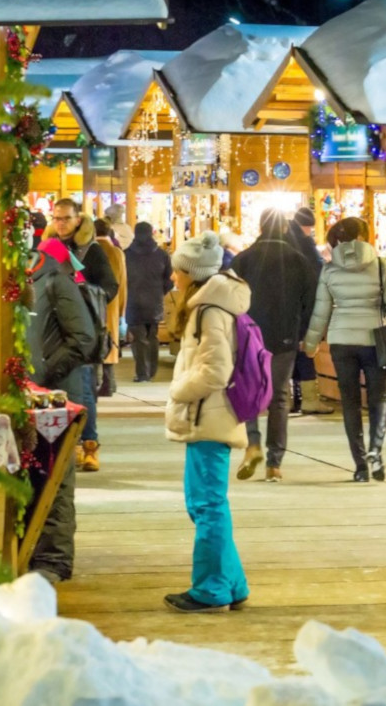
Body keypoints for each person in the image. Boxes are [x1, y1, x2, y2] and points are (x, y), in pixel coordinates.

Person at [164, 231, 251, 613]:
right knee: (206, 504)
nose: (172, 278)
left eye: (177, 272)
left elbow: (215, 370)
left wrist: (179, 390)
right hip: (211, 417)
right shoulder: (211, 304)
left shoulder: (208, 310)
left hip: (209, 417)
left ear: (192, 274)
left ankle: (212, 588)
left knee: (207, 505)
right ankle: (231, 582)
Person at [303, 217, 386, 483]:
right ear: (364, 237)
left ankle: (360, 467)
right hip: (375, 339)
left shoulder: (329, 269)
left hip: (341, 341)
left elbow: (321, 311)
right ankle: (376, 451)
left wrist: (312, 344)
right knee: (378, 398)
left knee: (349, 403)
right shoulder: (383, 266)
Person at [26, 238, 98, 583]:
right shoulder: (26, 283)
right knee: (35, 470)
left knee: (57, 472)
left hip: (55, 395)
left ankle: (54, 558)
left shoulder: (55, 281)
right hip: (34, 392)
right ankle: (31, 550)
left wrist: (45, 372)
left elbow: (83, 337)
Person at [230, 208, 316, 483]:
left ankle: (253, 443)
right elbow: (309, 301)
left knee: (251, 392)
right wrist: (302, 332)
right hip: (285, 336)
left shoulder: (243, 260)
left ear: (260, 226)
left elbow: (229, 297)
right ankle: (275, 462)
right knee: (279, 397)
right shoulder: (298, 261)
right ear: (283, 229)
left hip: (249, 336)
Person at [45, 199, 118, 471]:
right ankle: (67, 445)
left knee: (85, 389)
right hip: (53, 329)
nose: (60, 223)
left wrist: (84, 292)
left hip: (84, 328)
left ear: (78, 220)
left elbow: (111, 287)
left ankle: (89, 444)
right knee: (57, 386)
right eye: (56, 218)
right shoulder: (48, 248)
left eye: (65, 218)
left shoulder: (92, 251)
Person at [287, 206, 334, 416]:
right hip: (302, 303)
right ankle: (309, 399)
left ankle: (289, 397)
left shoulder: (283, 238)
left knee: (288, 352)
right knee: (305, 349)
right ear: (307, 226)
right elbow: (315, 271)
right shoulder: (304, 242)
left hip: (284, 305)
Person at [124, 221, 173, 382]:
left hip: (133, 301)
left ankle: (142, 373)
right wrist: (160, 291)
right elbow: (169, 280)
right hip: (155, 302)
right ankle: (151, 370)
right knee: (152, 336)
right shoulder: (162, 254)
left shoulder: (126, 255)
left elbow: (122, 280)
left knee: (138, 339)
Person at [93, 219, 128, 397]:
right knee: (111, 340)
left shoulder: (89, 250)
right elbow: (123, 283)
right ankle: (109, 381)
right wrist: (122, 309)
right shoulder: (117, 253)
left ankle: (96, 381)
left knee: (93, 340)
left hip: (93, 300)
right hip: (112, 303)